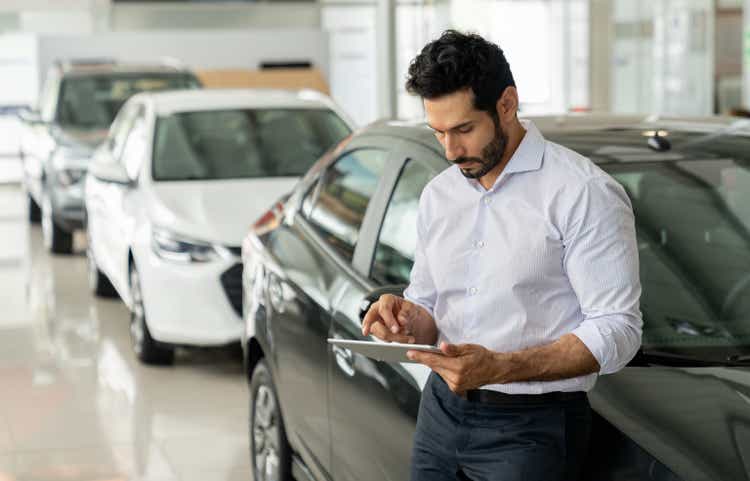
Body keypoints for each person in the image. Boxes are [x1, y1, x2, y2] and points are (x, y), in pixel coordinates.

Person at [362, 30, 643, 481]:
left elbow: (619, 328)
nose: (451, 151)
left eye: (464, 130)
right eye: (438, 133)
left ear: (507, 105)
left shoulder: (582, 193)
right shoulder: (440, 195)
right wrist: (406, 319)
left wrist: (503, 366)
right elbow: (431, 308)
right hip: (439, 412)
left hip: (532, 429)